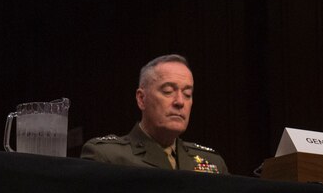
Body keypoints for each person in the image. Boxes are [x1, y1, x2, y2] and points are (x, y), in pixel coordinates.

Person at [81, 54, 228, 173]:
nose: (180, 101)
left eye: (187, 94)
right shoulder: (107, 157)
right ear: (141, 99)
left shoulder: (212, 162)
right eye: (168, 91)